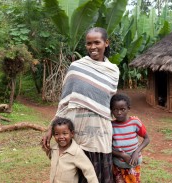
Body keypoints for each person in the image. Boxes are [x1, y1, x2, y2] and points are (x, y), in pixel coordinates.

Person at [42, 27, 119, 183]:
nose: (92, 47)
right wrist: (51, 127)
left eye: (97, 42)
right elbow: (64, 103)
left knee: (96, 175)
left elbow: (108, 104)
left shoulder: (113, 71)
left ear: (106, 43)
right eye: (89, 43)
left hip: (99, 133)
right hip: (75, 131)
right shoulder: (76, 67)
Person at [110, 93, 150, 183]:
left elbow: (147, 139)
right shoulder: (110, 126)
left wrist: (137, 151)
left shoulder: (135, 122)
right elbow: (107, 147)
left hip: (134, 165)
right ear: (111, 110)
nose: (119, 112)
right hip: (118, 166)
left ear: (128, 108)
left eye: (122, 109)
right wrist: (122, 155)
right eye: (115, 109)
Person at [44, 117, 99, 183]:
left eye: (64, 133)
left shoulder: (76, 152)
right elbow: (52, 157)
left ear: (72, 134)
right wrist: (46, 149)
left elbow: (89, 170)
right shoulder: (54, 148)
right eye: (57, 134)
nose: (61, 137)